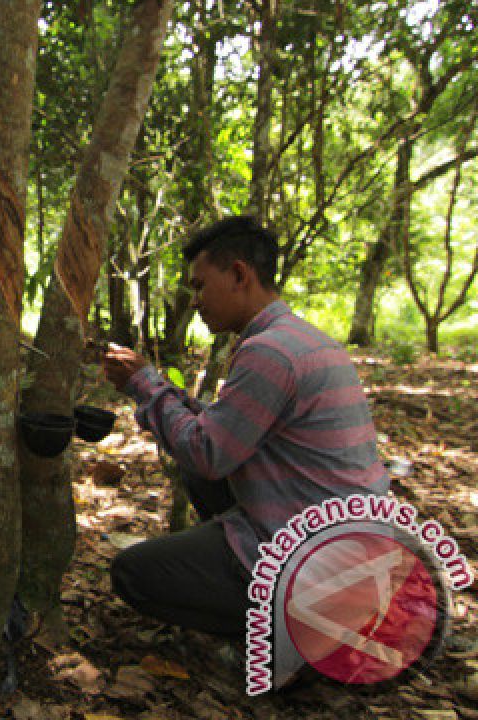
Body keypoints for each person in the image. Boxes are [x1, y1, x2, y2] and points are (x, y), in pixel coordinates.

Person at [102, 215, 388, 639]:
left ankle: (297, 636)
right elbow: (224, 430)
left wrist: (143, 385)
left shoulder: (270, 352)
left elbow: (208, 453)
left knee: (133, 574)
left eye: (200, 286)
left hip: (319, 556)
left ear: (239, 274)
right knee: (195, 470)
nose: (194, 300)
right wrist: (160, 388)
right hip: (350, 540)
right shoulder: (302, 338)